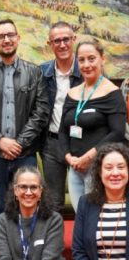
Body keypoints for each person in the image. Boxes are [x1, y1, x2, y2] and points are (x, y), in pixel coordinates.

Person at [0, 18, 49, 246]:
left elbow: (41, 112)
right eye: (1, 36)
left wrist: (19, 143)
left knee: (29, 206)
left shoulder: (34, 73)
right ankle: (1, 258)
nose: (6, 39)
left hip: (25, 154)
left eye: (10, 35)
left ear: (18, 38)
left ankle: (27, 257)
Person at [59, 39, 126, 212]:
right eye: (81, 60)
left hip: (99, 168)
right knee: (81, 216)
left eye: (91, 58)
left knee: (97, 217)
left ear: (102, 59)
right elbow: (63, 131)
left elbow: (117, 132)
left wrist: (88, 158)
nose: (86, 65)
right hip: (75, 168)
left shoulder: (112, 93)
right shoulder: (72, 93)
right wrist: (69, 158)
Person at [40, 22, 82, 212]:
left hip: (81, 143)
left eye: (66, 39)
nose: (62, 44)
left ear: (74, 39)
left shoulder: (86, 69)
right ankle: (54, 233)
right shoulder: (42, 73)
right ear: (50, 44)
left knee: (84, 198)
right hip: (52, 144)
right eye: (57, 41)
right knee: (53, 202)